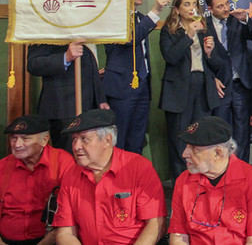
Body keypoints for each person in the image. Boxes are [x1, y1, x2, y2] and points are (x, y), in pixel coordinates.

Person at [53, 109, 166, 244]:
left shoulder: (139, 168)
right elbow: (65, 232)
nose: (76, 146)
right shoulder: (71, 175)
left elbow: (155, 224)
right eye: (74, 139)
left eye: (84, 139)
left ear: (107, 140)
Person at [159, 0, 230, 181]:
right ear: (177, 10)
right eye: (187, 5)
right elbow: (171, 57)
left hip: (202, 88)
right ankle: (180, 184)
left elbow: (215, 64)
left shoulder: (203, 28)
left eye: (194, 4)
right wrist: (188, 35)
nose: (192, 8)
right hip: (179, 90)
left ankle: (201, 182)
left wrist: (209, 53)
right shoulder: (170, 31)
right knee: (179, 138)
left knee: (201, 137)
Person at [168, 116, 252, 244]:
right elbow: (178, 235)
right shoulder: (183, 180)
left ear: (218, 153)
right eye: (187, 147)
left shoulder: (251, 179)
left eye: (194, 149)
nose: (184, 154)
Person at [103, 0, 170, 154]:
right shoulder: (113, 17)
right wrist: (155, 11)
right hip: (122, 88)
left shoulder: (140, 18)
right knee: (120, 140)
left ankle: (134, 179)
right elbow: (130, 38)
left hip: (142, 86)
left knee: (137, 140)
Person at [0, 115, 74, 245]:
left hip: (49, 240)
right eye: (13, 138)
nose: (17, 144)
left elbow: (69, 215)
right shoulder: (3, 166)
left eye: (25, 139)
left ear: (44, 140)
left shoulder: (63, 162)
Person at [204, 0, 252, 162]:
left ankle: (241, 166)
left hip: (240, 83)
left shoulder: (236, 20)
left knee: (242, 128)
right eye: (220, 6)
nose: (226, 8)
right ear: (210, 9)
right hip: (220, 86)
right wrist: (211, 78)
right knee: (221, 128)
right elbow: (199, 57)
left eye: (227, 3)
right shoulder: (203, 25)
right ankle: (222, 166)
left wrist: (246, 20)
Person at [27, 41, 108, 150]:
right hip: (63, 109)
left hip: (89, 108)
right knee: (68, 159)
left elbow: (90, 68)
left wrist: (100, 99)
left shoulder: (85, 32)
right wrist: (66, 57)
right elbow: (34, 64)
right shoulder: (45, 30)